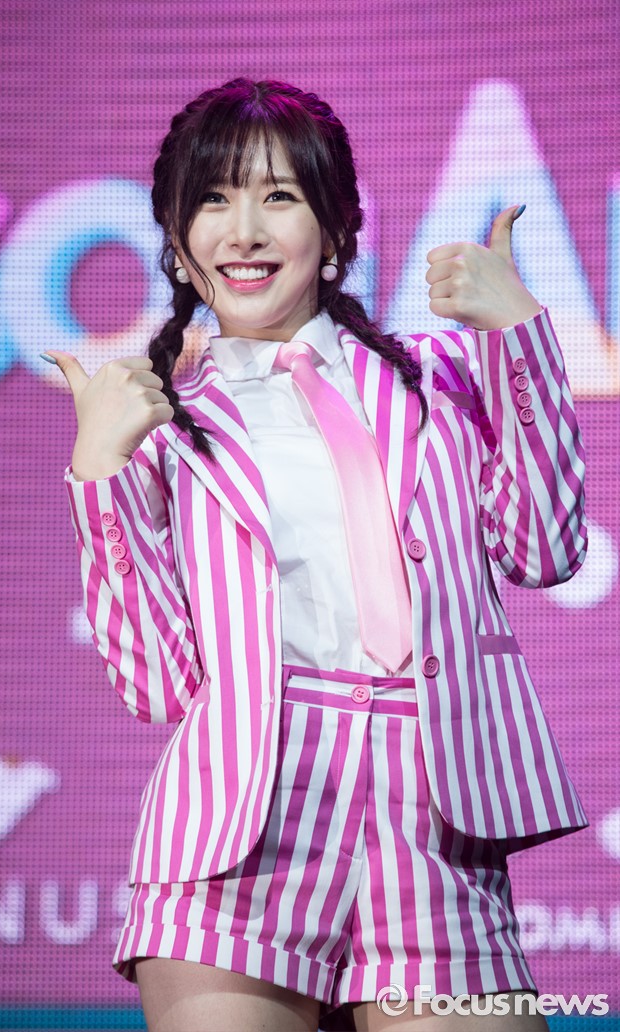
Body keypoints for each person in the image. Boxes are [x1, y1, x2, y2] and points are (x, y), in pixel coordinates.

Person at [43, 79, 588, 1032]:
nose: (244, 231)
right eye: (214, 200)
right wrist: (99, 474)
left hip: (437, 818)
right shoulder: (161, 421)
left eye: (279, 196)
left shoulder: (444, 380)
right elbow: (158, 685)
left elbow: (544, 549)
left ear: (336, 230)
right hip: (240, 828)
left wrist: (521, 337)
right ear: (178, 242)